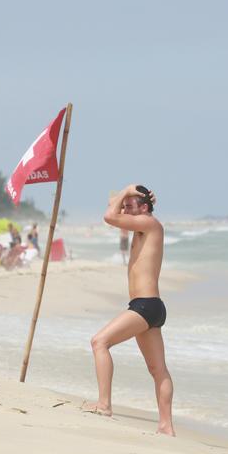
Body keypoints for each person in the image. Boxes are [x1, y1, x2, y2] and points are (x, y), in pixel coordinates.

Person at [83, 184, 174, 436]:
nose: (124, 208)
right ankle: (166, 426)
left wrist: (128, 189)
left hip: (145, 306)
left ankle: (104, 405)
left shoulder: (149, 223)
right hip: (149, 306)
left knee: (99, 342)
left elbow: (109, 216)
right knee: (158, 370)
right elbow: (113, 203)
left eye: (130, 206)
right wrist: (130, 192)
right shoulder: (142, 223)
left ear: (144, 208)